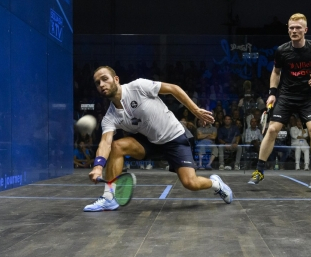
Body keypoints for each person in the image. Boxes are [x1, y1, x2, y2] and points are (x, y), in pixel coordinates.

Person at [84, 66, 233, 211]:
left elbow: (173, 88)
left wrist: (195, 110)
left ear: (116, 79)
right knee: (117, 146)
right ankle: (109, 198)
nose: (102, 84)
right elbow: (105, 142)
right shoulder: (110, 117)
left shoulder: (138, 86)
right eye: (98, 83)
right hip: (150, 142)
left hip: (174, 138)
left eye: (105, 79)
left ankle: (216, 184)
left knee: (190, 183)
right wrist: (98, 167)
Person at [248, 13, 311, 189]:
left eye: (298, 28)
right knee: (272, 130)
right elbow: (276, 72)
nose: (294, 31)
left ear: (305, 30)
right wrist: (272, 93)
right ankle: (259, 170)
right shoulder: (282, 50)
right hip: (286, 96)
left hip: (307, 98)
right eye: (291, 28)